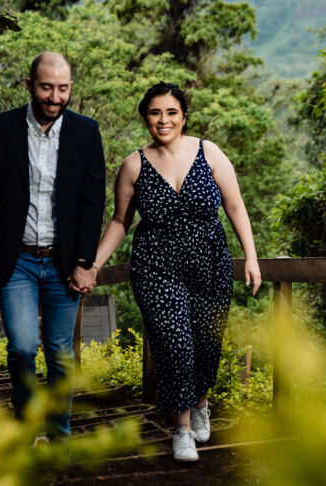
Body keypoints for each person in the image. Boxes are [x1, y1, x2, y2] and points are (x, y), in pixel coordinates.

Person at [74, 81, 261, 462]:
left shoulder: (210, 153)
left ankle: (200, 404)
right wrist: (93, 264)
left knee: (206, 345)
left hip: (210, 264)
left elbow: (236, 207)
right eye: (155, 112)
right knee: (175, 346)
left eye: (171, 112)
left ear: (184, 116)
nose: (163, 119)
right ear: (146, 117)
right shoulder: (133, 164)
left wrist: (252, 256)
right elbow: (120, 222)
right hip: (156, 266)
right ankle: (182, 429)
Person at [0, 52, 106, 437]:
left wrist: (86, 261)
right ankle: (25, 427)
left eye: (63, 89)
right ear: (29, 85)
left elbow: (93, 202)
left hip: (64, 263)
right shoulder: (0, 129)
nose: (55, 96)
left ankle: (59, 436)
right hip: (17, 262)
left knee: (61, 353)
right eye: (47, 87)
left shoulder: (85, 131)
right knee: (24, 347)